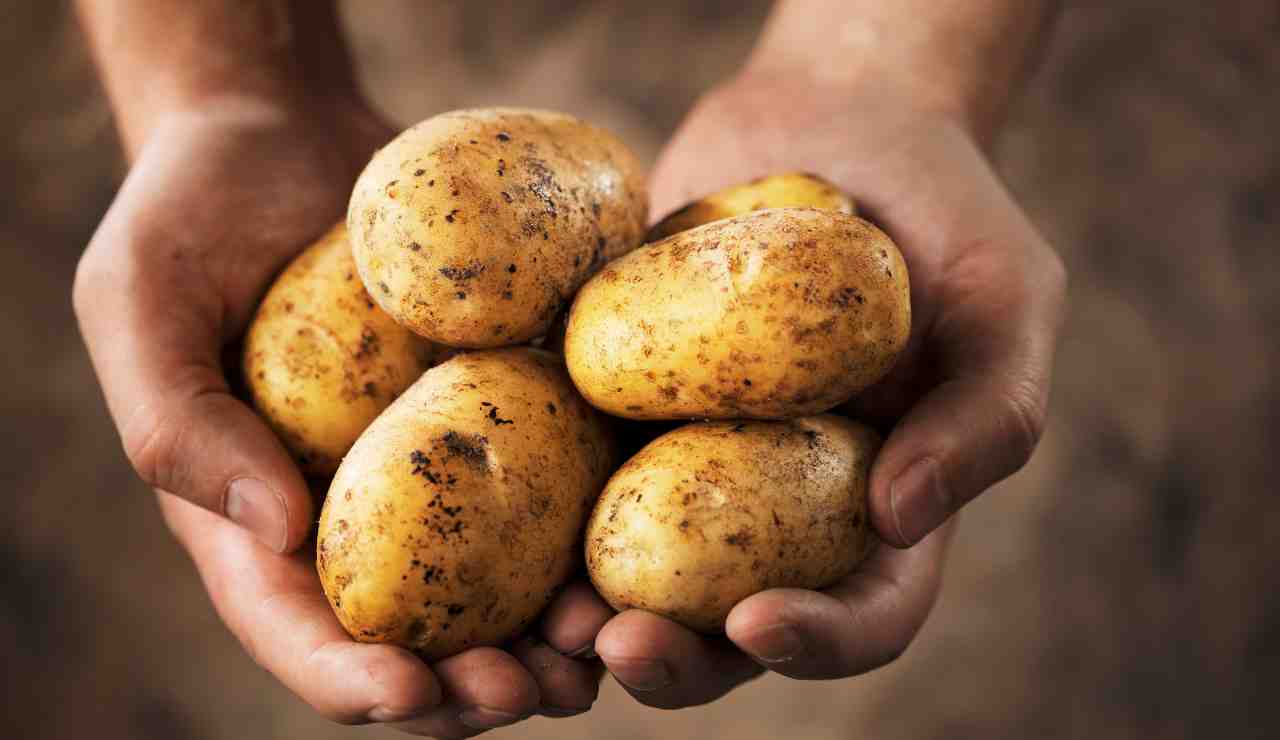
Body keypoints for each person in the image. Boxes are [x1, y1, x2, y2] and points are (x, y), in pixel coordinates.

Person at [72, 1, 1066, 736]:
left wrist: (879, 71)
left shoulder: (613, 326)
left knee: (645, 541)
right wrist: (223, 86)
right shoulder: (534, 317)